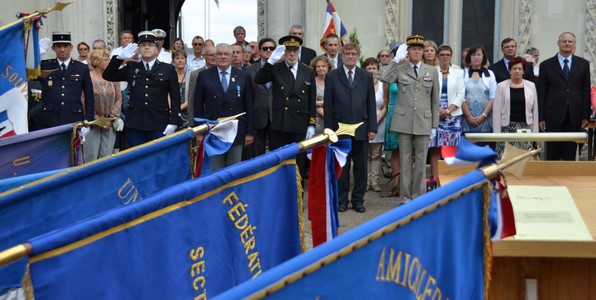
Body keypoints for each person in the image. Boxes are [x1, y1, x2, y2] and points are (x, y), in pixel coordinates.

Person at [379, 34, 439, 202]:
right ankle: (405, 197)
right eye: (413, 49)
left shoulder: (432, 71)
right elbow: (384, 77)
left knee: (421, 162)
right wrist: (394, 60)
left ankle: (418, 198)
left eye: (419, 49)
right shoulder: (400, 69)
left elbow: (435, 100)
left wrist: (435, 125)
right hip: (404, 121)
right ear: (408, 52)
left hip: (424, 120)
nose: (417, 52)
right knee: (406, 161)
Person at [103, 31, 180, 147]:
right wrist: (120, 58)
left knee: (157, 158)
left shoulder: (168, 69)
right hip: (135, 124)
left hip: (159, 122)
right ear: (138, 48)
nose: (147, 47)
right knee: (137, 159)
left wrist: (174, 122)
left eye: (150, 45)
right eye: (143, 45)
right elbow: (108, 75)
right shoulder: (131, 67)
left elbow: (175, 97)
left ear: (157, 49)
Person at [254, 35, 317, 179]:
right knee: (280, 163)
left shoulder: (307, 71)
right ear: (284, 52)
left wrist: (311, 124)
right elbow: (258, 79)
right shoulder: (276, 68)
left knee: (298, 164)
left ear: (299, 51)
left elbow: (311, 99)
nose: (292, 54)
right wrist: (270, 62)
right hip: (280, 124)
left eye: (295, 50)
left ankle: (297, 198)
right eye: (288, 50)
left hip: (300, 123)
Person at [324, 43, 377, 213]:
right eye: (347, 53)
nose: (351, 56)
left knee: (361, 167)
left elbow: (371, 103)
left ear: (358, 56)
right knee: (342, 166)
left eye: (354, 54)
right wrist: (329, 130)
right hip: (340, 129)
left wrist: (372, 127)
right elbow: (328, 105)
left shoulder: (366, 76)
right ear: (342, 55)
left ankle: (358, 199)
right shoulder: (332, 76)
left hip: (361, 127)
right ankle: (341, 200)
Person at [194, 43, 254, 170]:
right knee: (216, 171)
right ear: (214, 57)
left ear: (232, 56)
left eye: (226, 54)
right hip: (214, 131)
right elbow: (198, 105)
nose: (223, 57)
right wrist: (198, 132)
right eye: (219, 54)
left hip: (236, 131)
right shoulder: (204, 76)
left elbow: (249, 105)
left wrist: (249, 132)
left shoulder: (243, 76)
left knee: (233, 170)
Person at [538, 32, 591, 160]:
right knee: (552, 153)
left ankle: (568, 179)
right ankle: (551, 178)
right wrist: (541, 117)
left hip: (574, 114)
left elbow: (585, 90)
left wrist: (585, 115)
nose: (567, 44)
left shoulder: (583, 64)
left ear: (574, 44)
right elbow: (541, 92)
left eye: (570, 41)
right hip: (553, 114)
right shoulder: (546, 65)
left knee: (570, 153)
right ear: (558, 43)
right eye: (564, 41)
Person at [36, 32, 94, 129]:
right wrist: (36, 56)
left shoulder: (81, 68)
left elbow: (89, 97)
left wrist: (88, 123)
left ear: (71, 47)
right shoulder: (44, 66)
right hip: (50, 119)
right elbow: (25, 75)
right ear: (53, 48)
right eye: (58, 46)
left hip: (74, 118)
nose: (62, 50)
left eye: (65, 46)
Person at [428, 44, 465, 185]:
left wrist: (448, 110)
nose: (444, 57)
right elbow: (428, 93)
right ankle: (435, 180)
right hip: (434, 113)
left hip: (453, 114)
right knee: (435, 147)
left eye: (447, 55)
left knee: (451, 148)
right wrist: (438, 110)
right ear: (438, 56)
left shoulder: (458, 72)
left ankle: (450, 180)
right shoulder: (431, 71)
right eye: (442, 55)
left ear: (451, 56)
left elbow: (461, 93)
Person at [493, 56, 539, 157]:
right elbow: (496, 112)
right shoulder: (501, 86)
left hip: (526, 129)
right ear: (509, 71)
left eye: (519, 69)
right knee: (505, 161)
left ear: (523, 71)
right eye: (514, 69)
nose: (517, 71)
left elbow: (535, 111)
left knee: (523, 161)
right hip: (506, 129)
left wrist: (535, 134)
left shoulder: (531, 86)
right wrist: (497, 135)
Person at [83, 48, 122, 162]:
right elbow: (84, 101)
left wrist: (110, 119)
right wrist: (99, 120)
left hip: (110, 124)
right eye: (105, 60)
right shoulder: (88, 78)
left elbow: (119, 98)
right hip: (92, 124)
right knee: (91, 157)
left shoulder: (113, 77)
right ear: (96, 61)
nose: (108, 62)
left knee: (107, 157)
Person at [243, 38, 276, 160]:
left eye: (272, 48)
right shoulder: (249, 70)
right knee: (257, 156)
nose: (268, 51)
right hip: (256, 116)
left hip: (276, 116)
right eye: (265, 48)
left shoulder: (282, 68)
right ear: (259, 51)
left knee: (276, 154)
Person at [383, 42, 408, 194]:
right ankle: (396, 184)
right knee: (395, 151)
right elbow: (385, 95)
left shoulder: (413, 71)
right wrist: (394, 62)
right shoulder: (392, 72)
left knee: (408, 151)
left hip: (409, 113)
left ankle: (406, 183)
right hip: (393, 112)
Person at [461, 44, 497, 149]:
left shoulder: (490, 74)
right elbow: (461, 97)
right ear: (469, 57)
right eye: (473, 55)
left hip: (485, 121)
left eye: (478, 54)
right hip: (467, 121)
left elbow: (493, 98)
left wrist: (483, 116)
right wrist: (469, 117)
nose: (476, 57)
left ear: (483, 57)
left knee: (484, 154)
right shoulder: (462, 74)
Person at [362, 58, 387, 192]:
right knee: (365, 153)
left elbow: (385, 106)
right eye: (369, 68)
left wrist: (375, 121)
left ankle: (375, 181)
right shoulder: (360, 84)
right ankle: (365, 181)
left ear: (378, 70)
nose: (372, 71)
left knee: (376, 154)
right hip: (363, 121)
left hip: (379, 120)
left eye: (374, 68)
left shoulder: (383, 85)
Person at [187, 44, 216, 127]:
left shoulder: (222, 73)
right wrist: (192, 123)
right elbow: (191, 99)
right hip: (202, 119)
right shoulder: (195, 74)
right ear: (204, 56)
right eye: (210, 55)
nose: (213, 57)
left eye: (215, 55)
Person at [309, 56, 333, 134]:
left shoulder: (333, 82)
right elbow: (309, 101)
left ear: (328, 67)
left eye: (323, 66)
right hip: (316, 120)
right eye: (318, 66)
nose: (321, 68)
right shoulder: (311, 82)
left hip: (332, 118)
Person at [172, 50, 190, 127]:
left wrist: (181, 107)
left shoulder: (191, 76)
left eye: (182, 58)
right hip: (172, 112)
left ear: (185, 61)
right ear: (173, 61)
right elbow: (166, 94)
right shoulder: (169, 76)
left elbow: (193, 96)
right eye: (177, 58)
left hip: (188, 113)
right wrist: (174, 109)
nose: (180, 60)